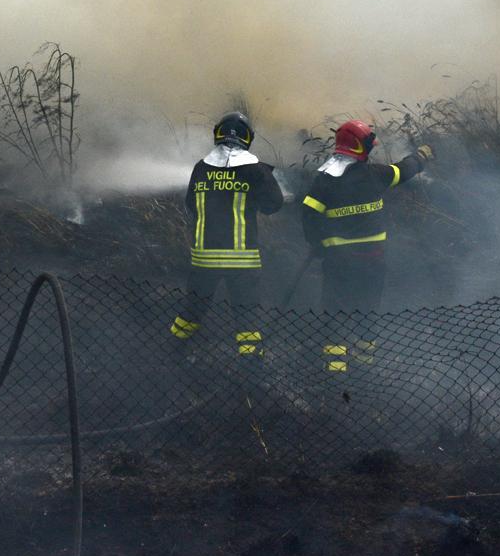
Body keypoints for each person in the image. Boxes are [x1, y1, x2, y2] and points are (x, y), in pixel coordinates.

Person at [301, 120, 433, 372]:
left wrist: (317, 244)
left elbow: (309, 214)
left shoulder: (325, 181)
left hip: (338, 264)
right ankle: (363, 369)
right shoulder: (377, 175)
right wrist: (421, 156)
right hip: (373, 262)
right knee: (367, 313)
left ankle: (335, 371)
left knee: (335, 316)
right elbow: (403, 170)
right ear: (361, 148)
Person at [168, 111, 285, 360]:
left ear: (218, 134)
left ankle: (172, 351)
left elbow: (191, 204)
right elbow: (274, 204)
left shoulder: (200, 168)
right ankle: (250, 364)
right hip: (241, 260)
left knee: (193, 309)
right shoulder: (255, 170)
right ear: (247, 137)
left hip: (204, 259)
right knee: (246, 315)